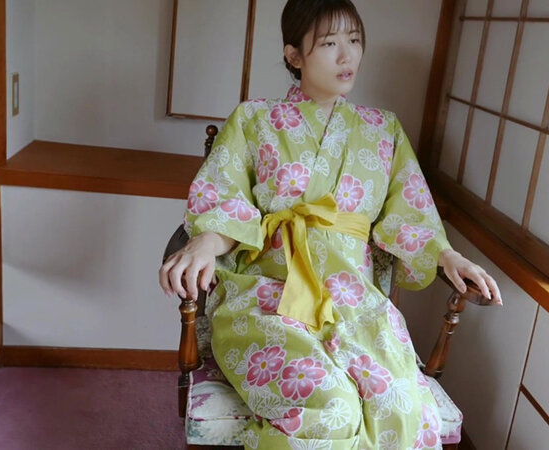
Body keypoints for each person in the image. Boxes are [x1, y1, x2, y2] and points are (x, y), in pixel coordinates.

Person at [159, 0, 502, 448]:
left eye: (354, 40)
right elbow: (226, 199)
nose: (347, 55)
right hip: (268, 298)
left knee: (402, 409)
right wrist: (206, 241)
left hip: (357, 304)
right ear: (294, 55)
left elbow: (410, 214)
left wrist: (447, 255)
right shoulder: (254, 119)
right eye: (329, 44)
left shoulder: (384, 129)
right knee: (329, 407)